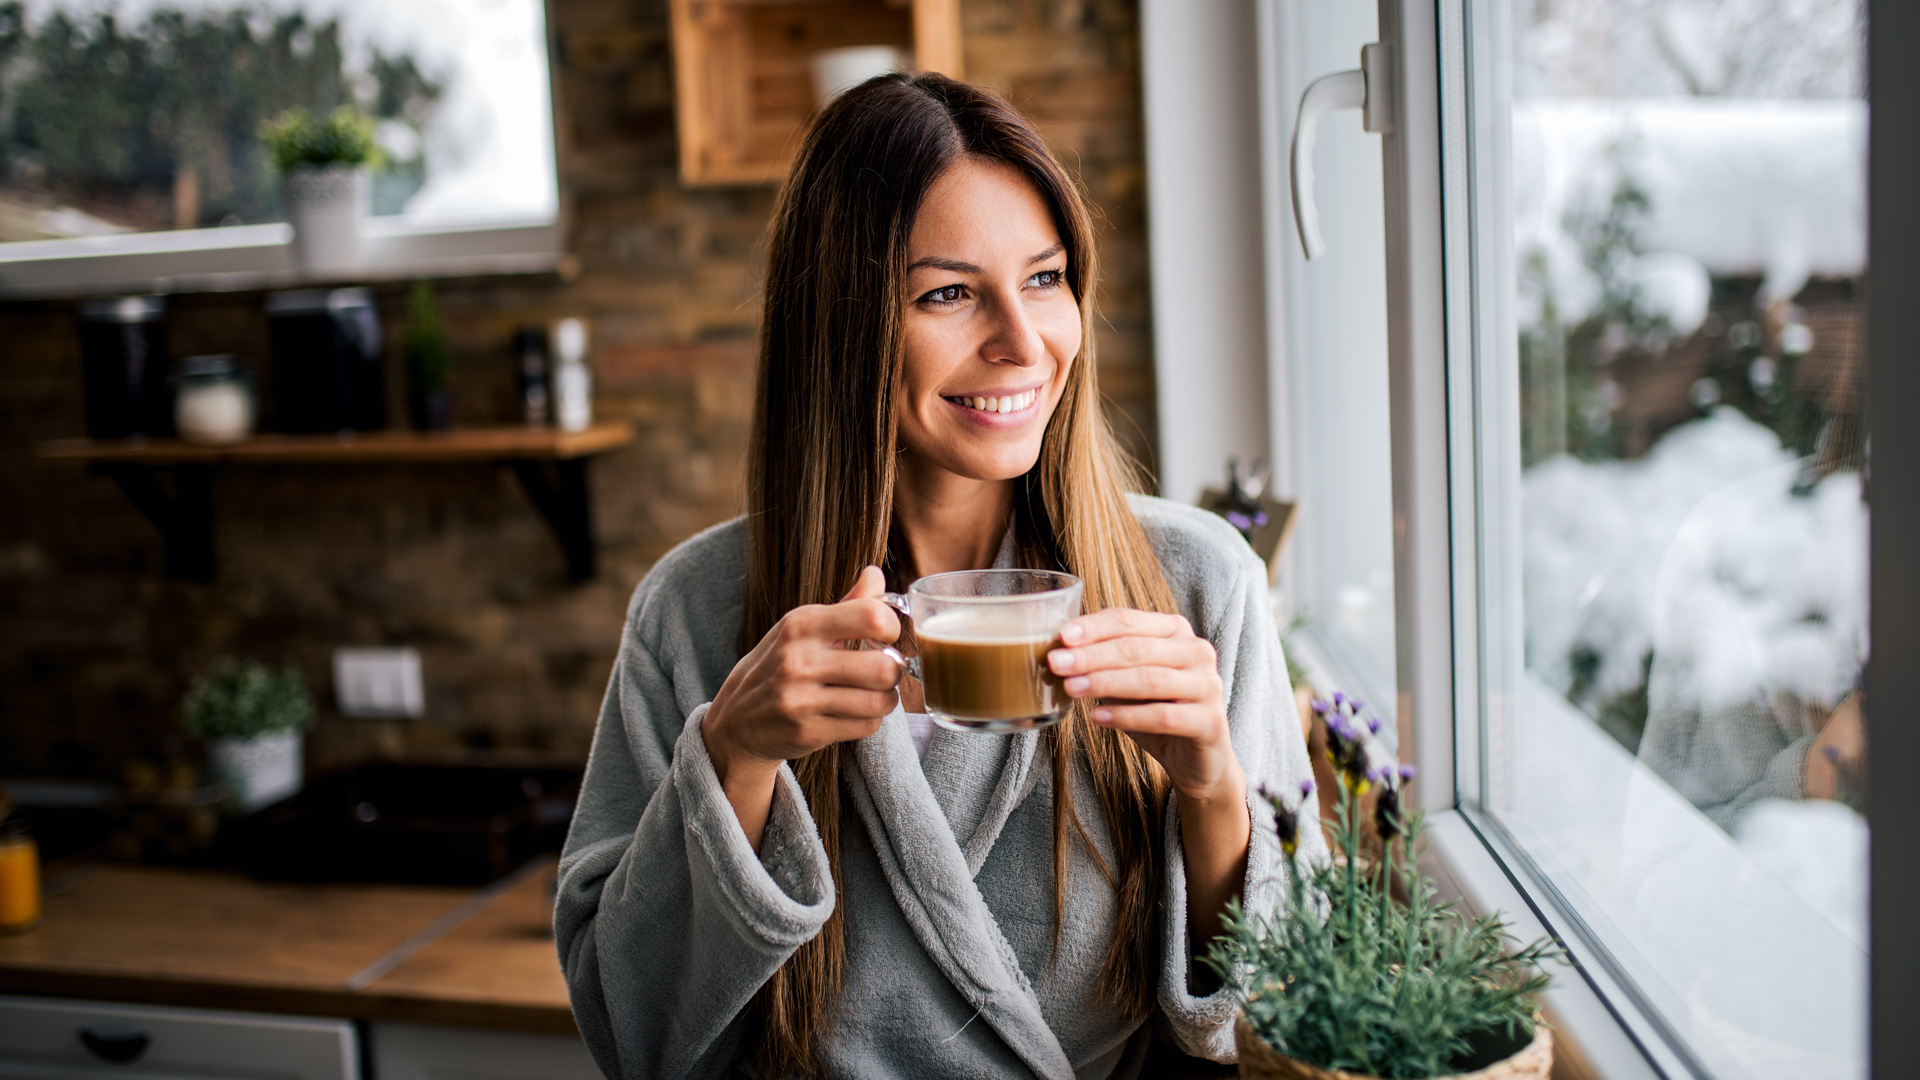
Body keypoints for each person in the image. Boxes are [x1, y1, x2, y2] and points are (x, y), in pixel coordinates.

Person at [554, 72, 1321, 1080]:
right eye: (948, 293)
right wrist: (734, 755)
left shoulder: (1196, 583)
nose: (1020, 342)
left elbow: (1295, 1014)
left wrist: (1212, 786)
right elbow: (632, 1037)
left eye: (1045, 279)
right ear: (844, 323)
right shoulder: (694, 614)